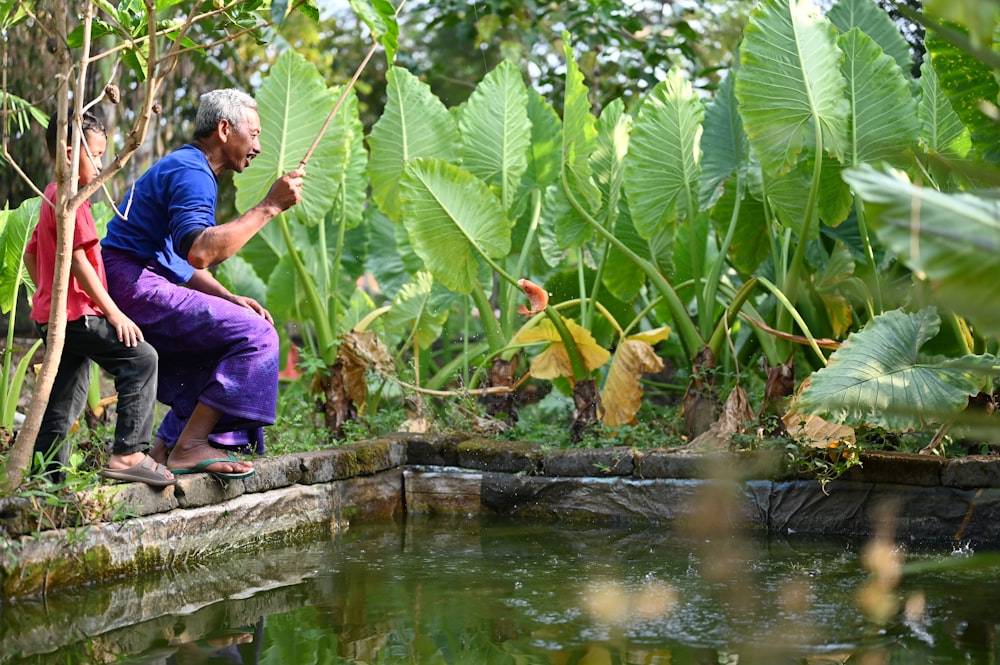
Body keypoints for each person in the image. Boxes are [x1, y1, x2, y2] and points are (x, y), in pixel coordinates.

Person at [101, 89, 305, 480]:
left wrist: (228, 297)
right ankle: (190, 446)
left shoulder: (188, 165)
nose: (259, 146)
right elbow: (199, 252)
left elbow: (178, 260)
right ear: (225, 129)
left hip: (132, 277)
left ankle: (164, 449)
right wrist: (269, 206)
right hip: (130, 281)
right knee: (258, 336)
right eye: (255, 134)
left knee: (230, 331)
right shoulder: (193, 171)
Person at [24, 111, 172, 487]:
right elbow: (78, 263)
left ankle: (47, 480)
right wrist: (116, 314)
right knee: (141, 359)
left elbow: (32, 250)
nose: (104, 164)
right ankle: (128, 454)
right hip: (78, 316)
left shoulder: (51, 195)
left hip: (57, 316)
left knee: (65, 397)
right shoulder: (73, 198)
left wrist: (42, 295)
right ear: (71, 154)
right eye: (99, 154)